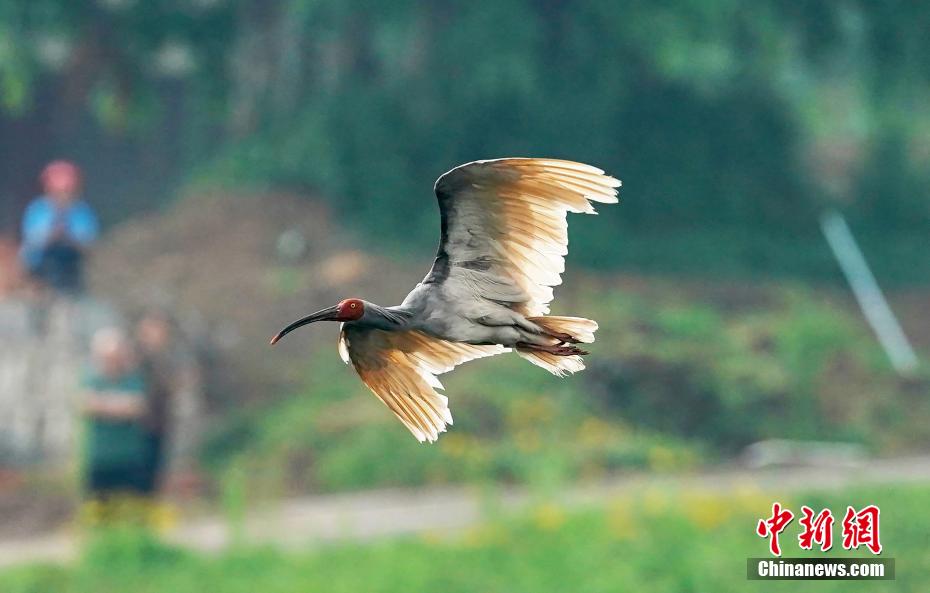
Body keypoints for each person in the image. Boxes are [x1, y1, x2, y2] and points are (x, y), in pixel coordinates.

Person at [82, 328, 158, 500]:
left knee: (132, 508)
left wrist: (105, 404)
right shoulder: (91, 378)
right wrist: (120, 405)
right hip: (100, 459)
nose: (112, 361)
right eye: (108, 357)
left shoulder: (134, 379)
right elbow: (88, 405)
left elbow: (137, 407)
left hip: (129, 458)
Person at [20, 160, 98, 295]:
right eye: (58, 192)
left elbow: (88, 243)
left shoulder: (81, 212)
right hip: (41, 266)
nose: (62, 197)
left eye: (67, 192)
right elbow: (31, 242)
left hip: (71, 267)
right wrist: (51, 236)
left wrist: (69, 238)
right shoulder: (38, 210)